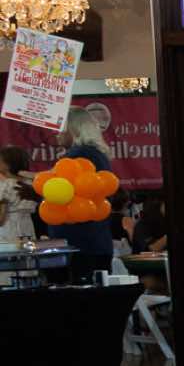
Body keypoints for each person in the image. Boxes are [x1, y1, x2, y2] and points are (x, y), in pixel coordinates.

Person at [52, 106, 115, 280]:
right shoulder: (94, 153)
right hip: (94, 241)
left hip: (80, 243)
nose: (56, 133)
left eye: (60, 128)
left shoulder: (80, 155)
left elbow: (57, 189)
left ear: (74, 129)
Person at [0, 146, 36, 248]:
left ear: (7, 165)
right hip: (28, 230)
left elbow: (1, 219)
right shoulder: (31, 184)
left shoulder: (5, 186)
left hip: (8, 233)